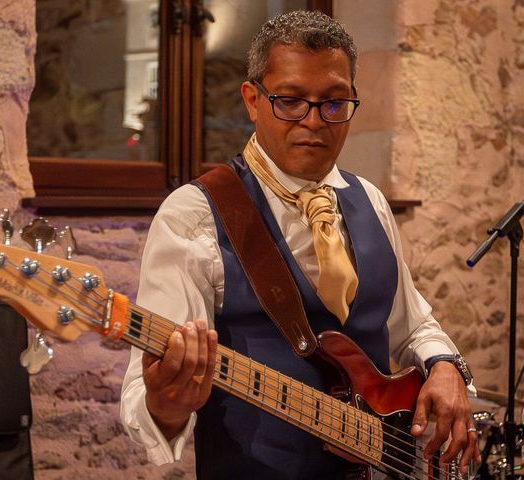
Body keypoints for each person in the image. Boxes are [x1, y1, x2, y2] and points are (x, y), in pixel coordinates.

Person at [120, 10, 479, 479]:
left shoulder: (369, 200)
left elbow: (411, 324)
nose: (314, 121)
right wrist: (167, 405)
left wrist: (445, 366)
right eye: (289, 101)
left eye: (334, 103)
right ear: (253, 100)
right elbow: (142, 398)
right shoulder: (193, 214)